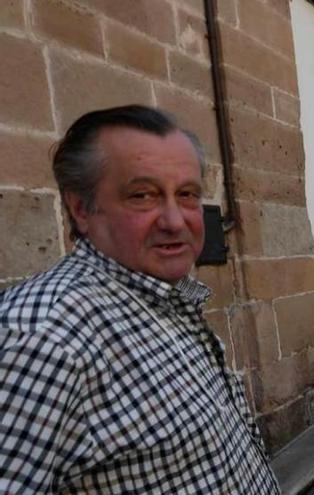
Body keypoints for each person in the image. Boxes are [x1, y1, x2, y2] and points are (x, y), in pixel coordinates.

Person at [0, 105, 280, 493]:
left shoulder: (169, 297)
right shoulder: (43, 338)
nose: (174, 220)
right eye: (143, 195)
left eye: (187, 195)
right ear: (81, 208)